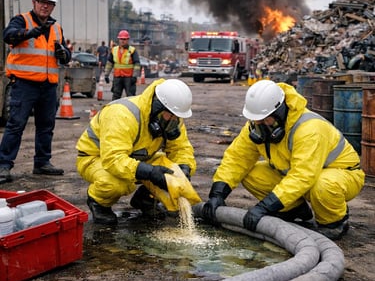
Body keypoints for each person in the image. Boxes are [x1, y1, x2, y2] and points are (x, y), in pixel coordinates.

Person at [202, 80, 365, 240]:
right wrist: (218, 193)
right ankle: (294, 210)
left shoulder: (309, 129)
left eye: (265, 119)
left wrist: (264, 207)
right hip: (300, 177)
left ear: (279, 112)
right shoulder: (258, 124)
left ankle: (334, 223)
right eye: (256, 120)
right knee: (251, 173)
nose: (260, 124)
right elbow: (237, 158)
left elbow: (303, 176)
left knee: (323, 185)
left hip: (343, 176)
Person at [76, 78, 196, 225]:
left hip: (137, 156)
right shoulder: (122, 114)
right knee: (118, 183)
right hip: (96, 158)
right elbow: (114, 159)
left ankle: (144, 199)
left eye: (177, 117)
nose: (175, 120)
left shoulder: (172, 118)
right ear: (157, 106)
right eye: (171, 115)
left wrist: (184, 168)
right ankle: (98, 202)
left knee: (175, 171)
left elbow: (181, 149)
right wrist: (150, 172)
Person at [0, 0, 71, 184]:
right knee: (16, 125)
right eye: (41, 2)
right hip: (24, 84)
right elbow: (8, 36)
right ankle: (3, 165)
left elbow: (66, 54)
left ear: (53, 6)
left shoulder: (56, 28)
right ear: (34, 2)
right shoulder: (21, 20)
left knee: (46, 126)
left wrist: (63, 54)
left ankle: (42, 163)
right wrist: (32, 32)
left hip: (48, 86)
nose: (45, 6)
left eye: (49, 3)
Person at [104, 30, 140, 99]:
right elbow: (109, 63)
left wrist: (134, 76)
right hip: (117, 77)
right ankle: (114, 109)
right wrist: (106, 75)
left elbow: (137, 64)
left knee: (131, 96)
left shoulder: (132, 50)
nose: (122, 41)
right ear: (118, 39)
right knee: (116, 96)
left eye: (124, 39)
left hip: (129, 78)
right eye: (121, 39)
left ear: (127, 40)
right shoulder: (114, 50)